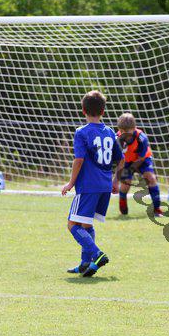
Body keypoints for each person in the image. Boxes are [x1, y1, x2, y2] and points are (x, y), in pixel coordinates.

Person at [62, 90, 124, 277]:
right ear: (103, 111)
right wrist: (115, 181)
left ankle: (97, 254)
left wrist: (70, 183)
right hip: (105, 186)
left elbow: (79, 160)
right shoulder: (110, 132)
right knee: (86, 225)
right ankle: (85, 264)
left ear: (83, 110)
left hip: (88, 186)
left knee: (72, 225)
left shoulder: (82, 132)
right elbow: (121, 159)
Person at [115, 113, 163, 217]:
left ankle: (157, 209)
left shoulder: (141, 138)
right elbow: (118, 158)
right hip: (126, 161)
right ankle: (122, 205)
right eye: (122, 131)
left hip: (143, 159)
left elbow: (141, 158)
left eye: (127, 132)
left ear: (134, 128)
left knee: (151, 178)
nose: (124, 135)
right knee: (125, 184)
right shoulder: (117, 138)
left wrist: (131, 169)